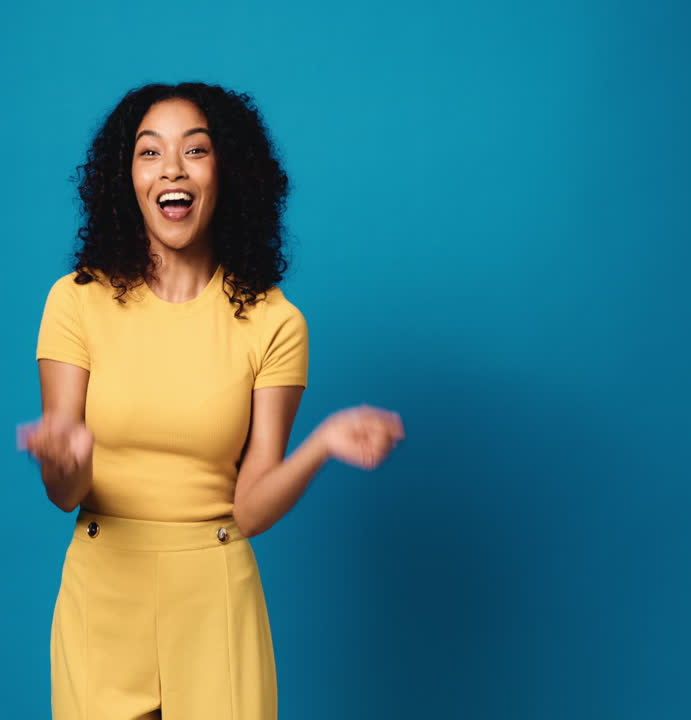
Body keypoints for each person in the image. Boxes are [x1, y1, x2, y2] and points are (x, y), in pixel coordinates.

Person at [24, 82, 405, 720]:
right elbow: (63, 492)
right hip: (103, 591)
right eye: (150, 153)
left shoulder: (275, 323)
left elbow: (251, 509)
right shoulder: (75, 301)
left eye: (194, 151)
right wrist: (63, 459)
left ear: (228, 172)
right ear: (127, 179)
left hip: (215, 597)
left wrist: (320, 446)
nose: (172, 168)